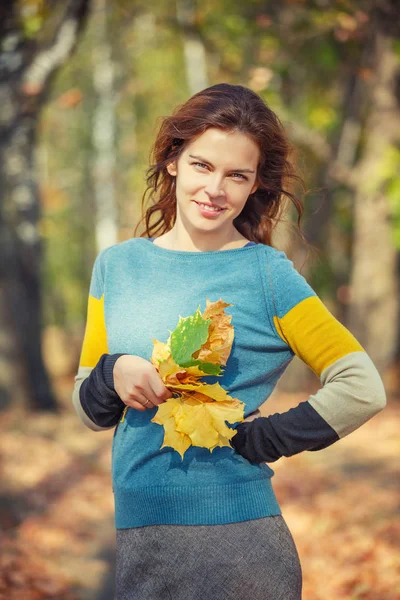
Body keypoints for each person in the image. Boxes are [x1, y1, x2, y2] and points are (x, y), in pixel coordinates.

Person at [72, 83, 387, 600]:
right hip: (138, 538)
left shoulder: (266, 274)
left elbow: (362, 386)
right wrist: (112, 373)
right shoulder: (117, 266)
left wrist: (265, 439)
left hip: (239, 548)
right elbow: (87, 409)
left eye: (236, 175)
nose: (215, 189)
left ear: (252, 185)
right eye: (202, 165)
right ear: (173, 160)